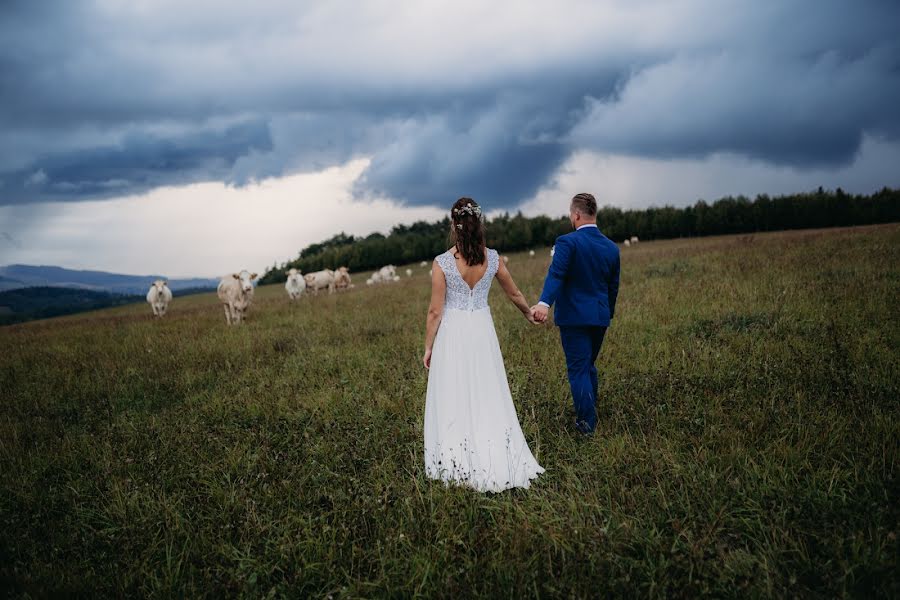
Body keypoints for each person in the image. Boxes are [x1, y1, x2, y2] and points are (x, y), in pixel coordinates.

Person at [422, 197, 545, 492]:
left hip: (453, 333)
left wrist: (428, 347)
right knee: (487, 389)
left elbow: (435, 312)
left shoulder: (442, 263)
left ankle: (455, 460)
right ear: (480, 224)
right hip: (481, 331)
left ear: (454, 225)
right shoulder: (493, 258)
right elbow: (514, 293)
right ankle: (496, 451)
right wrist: (528, 312)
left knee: (455, 391)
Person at [531, 193, 620, 435]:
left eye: (571, 215)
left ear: (576, 215)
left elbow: (556, 274)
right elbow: (613, 287)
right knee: (588, 365)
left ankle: (586, 425)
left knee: (579, 369)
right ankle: (590, 408)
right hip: (600, 317)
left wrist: (543, 304)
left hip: (574, 317)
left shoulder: (567, 242)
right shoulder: (612, 248)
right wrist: (607, 314)